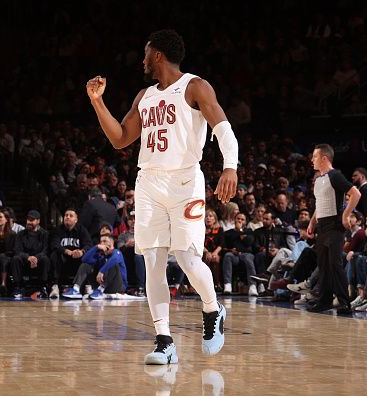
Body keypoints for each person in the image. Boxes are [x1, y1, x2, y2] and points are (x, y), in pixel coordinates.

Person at [86, 29, 237, 365]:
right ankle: (164, 340)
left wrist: (231, 167)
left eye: (145, 52)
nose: (141, 59)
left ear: (156, 54)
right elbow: (121, 138)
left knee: (186, 257)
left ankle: (213, 309)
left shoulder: (195, 86)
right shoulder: (144, 96)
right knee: (152, 261)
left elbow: (224, 129)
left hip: (185, 181)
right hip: (150, 183)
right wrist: (97, 102)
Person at [307, 143, 361, 313]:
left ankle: (344, 302)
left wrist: (345, 215)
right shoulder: (318, 179)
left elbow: (356, 194)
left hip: (335, 225)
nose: (312, 160)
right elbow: (320, 203)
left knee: (335, 264)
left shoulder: (334, 175)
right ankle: (324, 300)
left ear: (324, 158)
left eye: (315, 157)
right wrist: (312, 221)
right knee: (323, 265)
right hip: (322, 226)